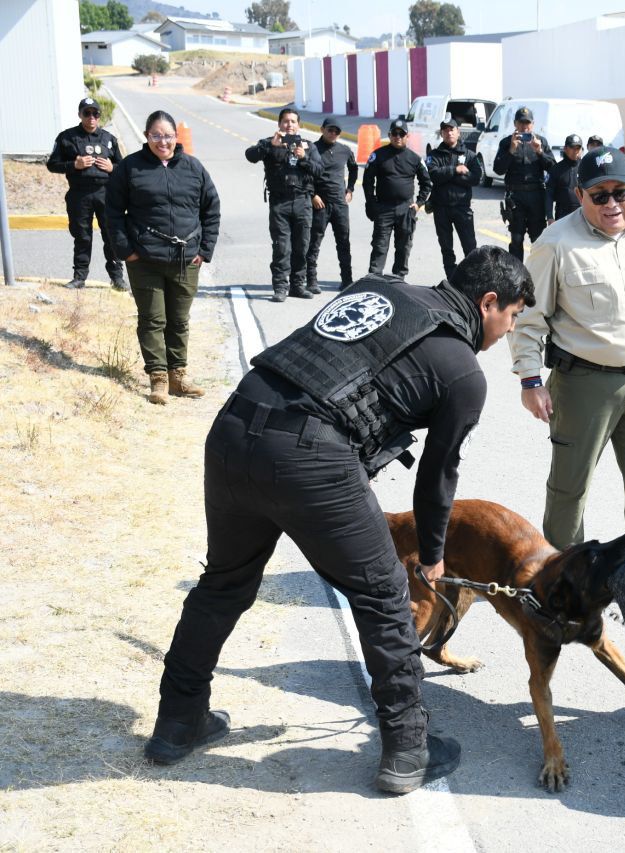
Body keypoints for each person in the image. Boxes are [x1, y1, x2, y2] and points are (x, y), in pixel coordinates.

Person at [143, 247, 536, 795]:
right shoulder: (464, 373)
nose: (509, 329)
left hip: (234, 429)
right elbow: (437, 477)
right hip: (311, 456)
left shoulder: (380, 287)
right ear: (489, 302)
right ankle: (408, 750)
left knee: (223, 584)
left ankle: (177, 722)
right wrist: (432, 554)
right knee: (385, 596)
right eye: (513, 315)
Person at [510, 146, 625, 549]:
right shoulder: (556, 243)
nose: (612, 204)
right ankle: (563, 575)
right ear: (580, 195)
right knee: (569, 490)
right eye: (599, 195)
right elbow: (527, 319)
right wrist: (529, 380)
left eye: (620, 193)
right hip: (582, 383)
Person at [105, 110, 220, 406]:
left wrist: (204, 250)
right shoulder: (129, 168)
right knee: (153, 319)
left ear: (176, 137)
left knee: (179, 320)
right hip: (144, 260)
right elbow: (113, 212)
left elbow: (211, 209)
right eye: (156, 135)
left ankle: (178, 376)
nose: (162, 141)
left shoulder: (193, 167)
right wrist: (126, 251)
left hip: (185, 259)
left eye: (167, 136)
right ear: (147, 136)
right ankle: (158, 378)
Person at [47, 97, 125, 291]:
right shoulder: (66, 137)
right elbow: (52, 165)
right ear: (80, 115)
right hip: (79, 194)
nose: (91, 117)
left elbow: (124, 168)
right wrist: (74, 164)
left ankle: (117, 278)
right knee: (82, 237)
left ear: (99, 116)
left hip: (106, 194)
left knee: (111, 236)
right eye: (87, 113)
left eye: (95, 113)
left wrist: (112, 168)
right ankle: (79, 277)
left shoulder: (109, 139)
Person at [246, 108, 323, 301]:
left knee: (302, 246)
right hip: (279, 203)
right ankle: (280, 287)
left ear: (299, 125)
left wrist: (304, 158)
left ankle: (297, 286)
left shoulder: (308, 146)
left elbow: (319, 171)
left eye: (293, 121)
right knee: (282, 247)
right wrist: (269, 147)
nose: (289, 125)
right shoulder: (269, 142)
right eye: (286, 121)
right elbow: (250, 155)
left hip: (302, 202)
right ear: (279, 124)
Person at [363, 116, 431, 279]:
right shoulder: (378, 155)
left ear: (407, 136)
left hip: (405, 209)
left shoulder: (415, 158)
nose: (398, 137)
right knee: (380, 244)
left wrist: (419, 203)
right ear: (389, 135)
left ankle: (399, 277)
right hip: (383, 207)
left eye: (402, 134)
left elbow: (427, 183)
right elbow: (367, 181)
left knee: (404, 246)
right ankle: (374, 277)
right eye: (394, 134)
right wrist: (372, 203)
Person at [493, 106, 554, 261]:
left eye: (527, 123)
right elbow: (498, 169)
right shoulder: (506, 142)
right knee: (516, 239)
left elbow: (553, 168)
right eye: (521, 122)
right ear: (515, 124)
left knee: (538, 239)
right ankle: (517, 274)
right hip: (516, 196)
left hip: (536, 196)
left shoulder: (541, 142)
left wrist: (539, 152)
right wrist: (511, 150)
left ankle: (537, 272)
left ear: (532, 124)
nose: (524, 126)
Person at [305, 118, 358, 291]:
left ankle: (347, 280)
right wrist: (312, 195)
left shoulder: (345, 150)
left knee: (344, 242)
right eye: (330, 130)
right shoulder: (312, 149)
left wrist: (350, 189)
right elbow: (304, 173)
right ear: (322, 129)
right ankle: (311, 281)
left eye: (336, 131)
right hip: (320, 204)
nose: (333, 133)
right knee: (314, 243)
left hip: (340, 204)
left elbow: (354, 169)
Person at [426, 118, 481, 281]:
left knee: (470, 247)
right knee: (446, 248)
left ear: (458, 132)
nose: (449, 132)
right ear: (441, 133)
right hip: (441, 208)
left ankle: (472, 280)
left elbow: (475, 178)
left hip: (462, 208)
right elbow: (433, 175)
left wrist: (448, 177)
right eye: (445, 130)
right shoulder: (434, 155)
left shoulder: (469, 155)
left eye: (452, 129)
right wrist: (455, 170)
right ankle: (452, 279)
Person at [546, 133, 584, 222]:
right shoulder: (556, 169)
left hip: (582, 213)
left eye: (578, 148)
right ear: (565, 149)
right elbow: (549, 194)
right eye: (572, 148)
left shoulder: (586, 167)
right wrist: (549, 216)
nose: (575, 151)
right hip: (562, 214)